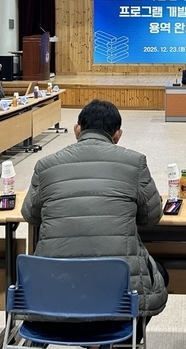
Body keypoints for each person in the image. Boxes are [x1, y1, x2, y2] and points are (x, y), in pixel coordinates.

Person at [21, 99, 168, 337]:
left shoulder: (45, 165)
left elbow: (30, 215)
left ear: (77, 130)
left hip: (52, 295)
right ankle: (120, 340)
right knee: (158, 273)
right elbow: (152, 216)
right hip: (117, 299)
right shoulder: (135, 162)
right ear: (117, 135)